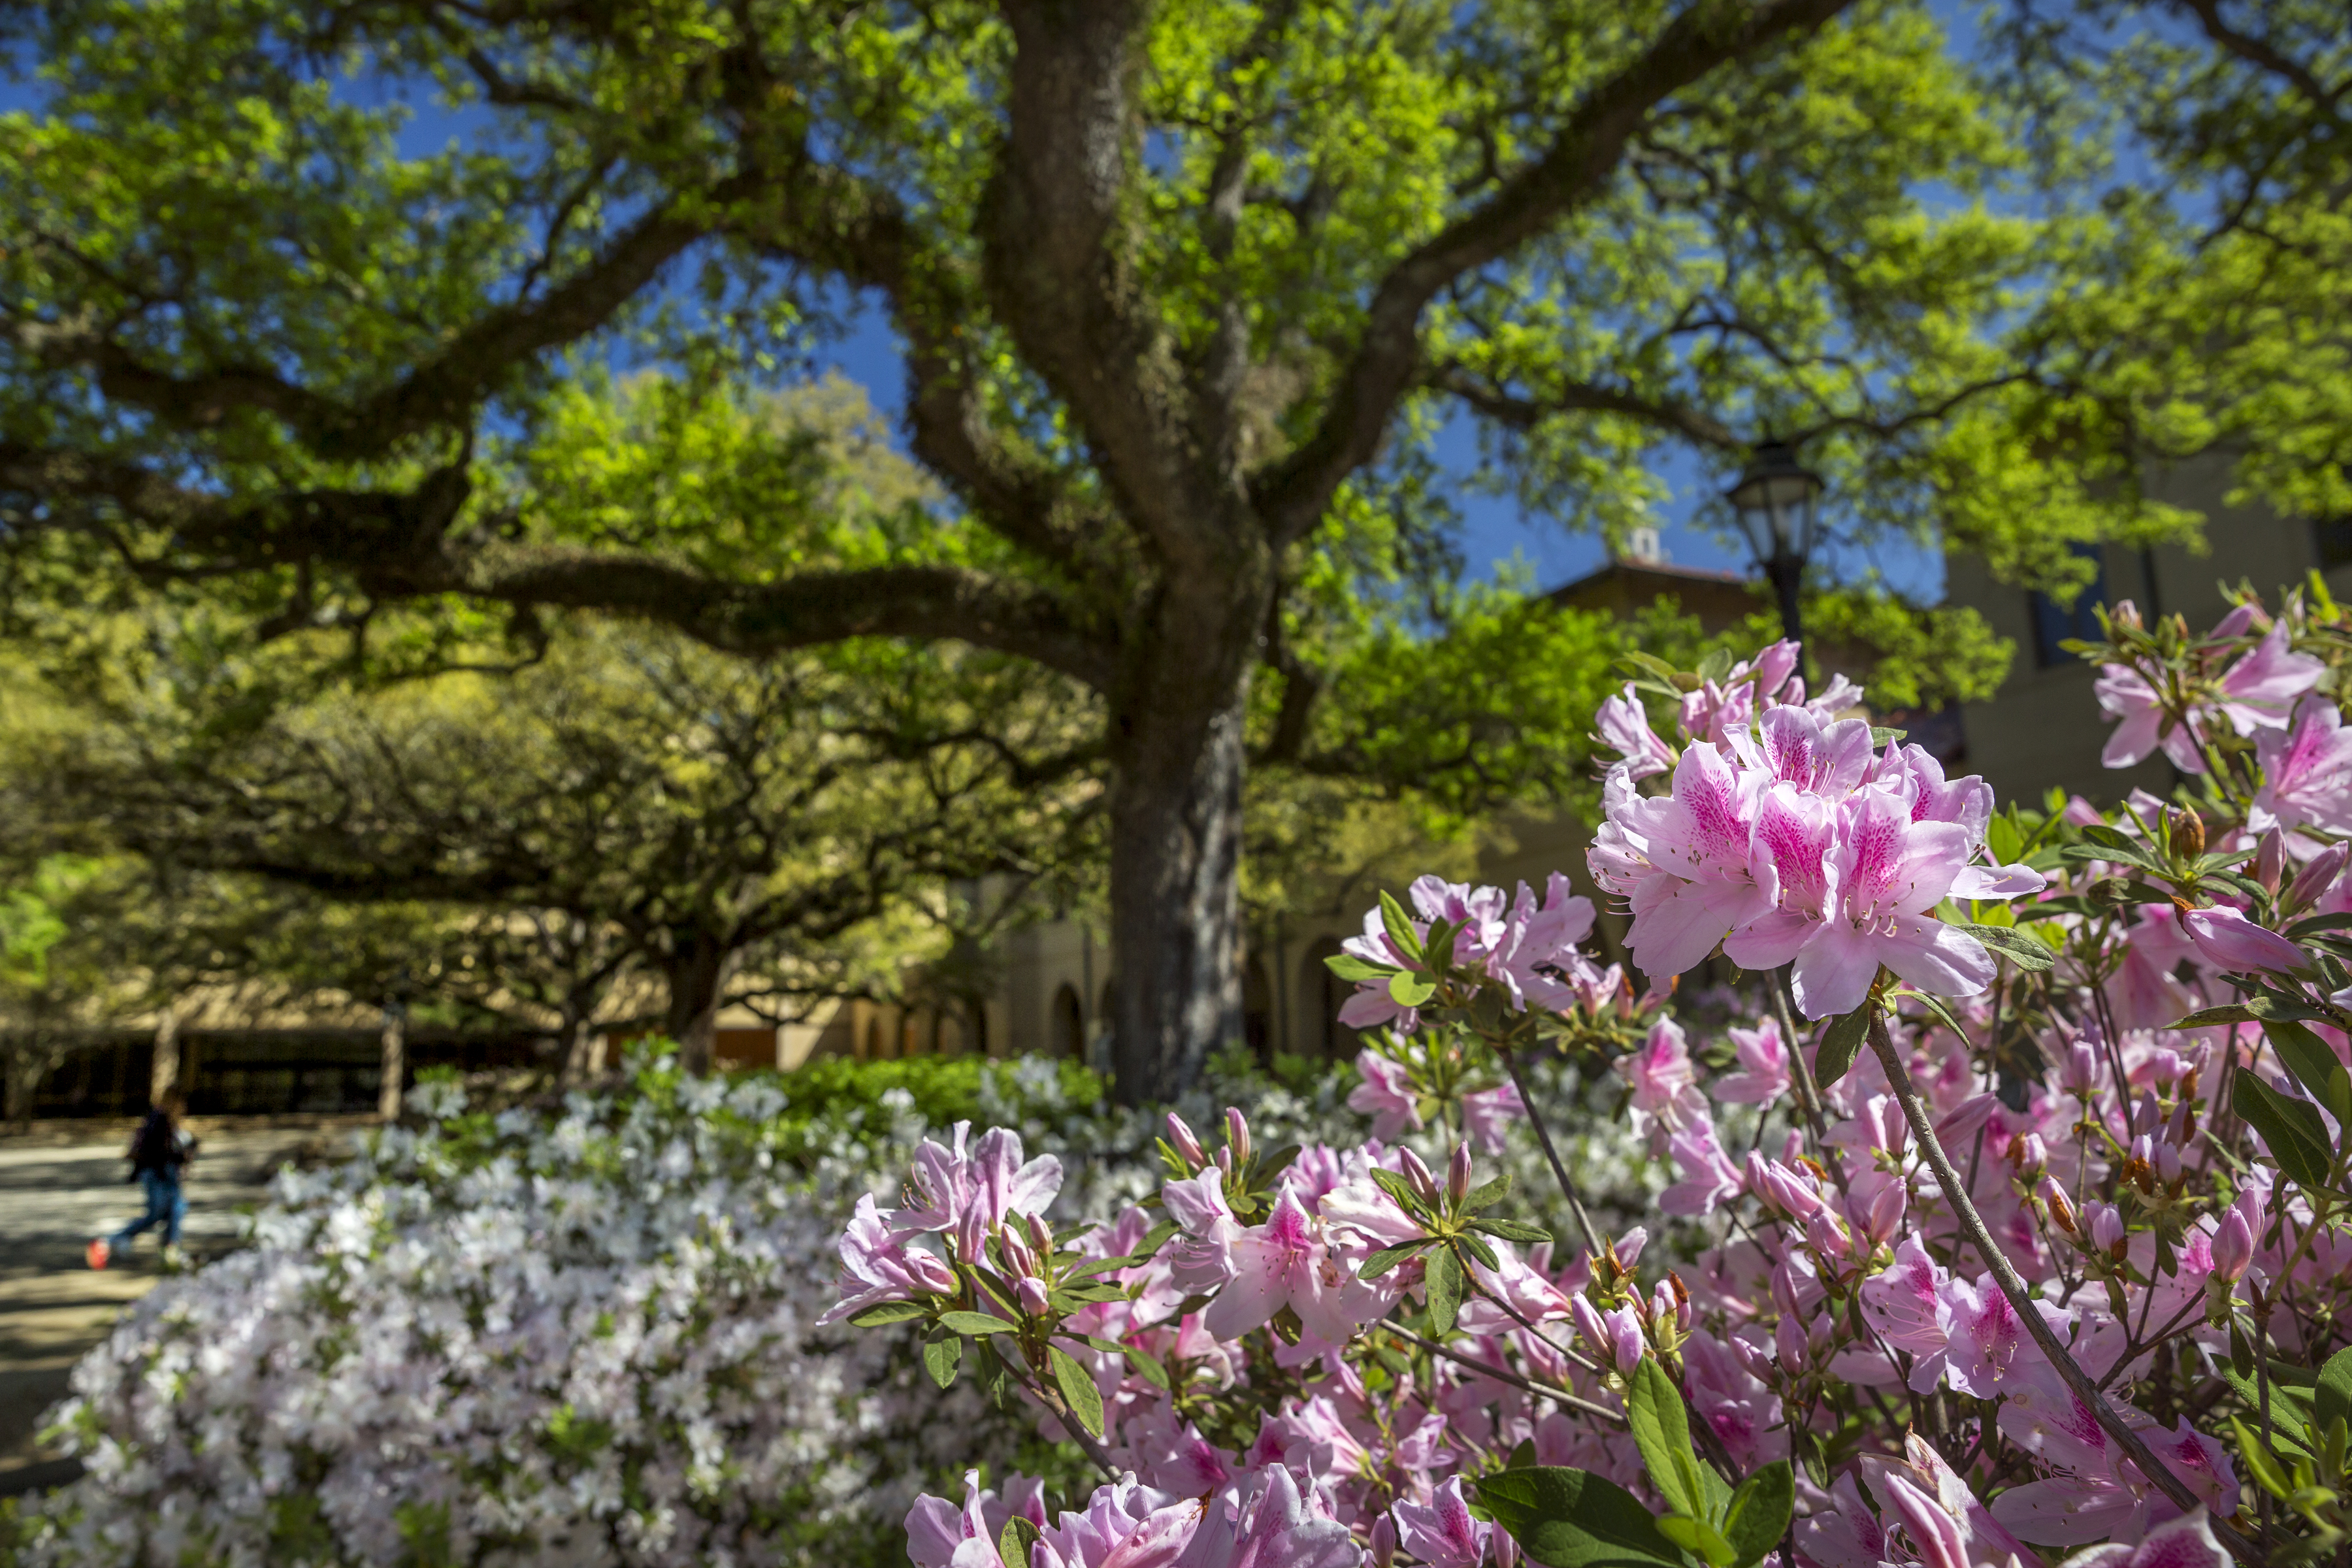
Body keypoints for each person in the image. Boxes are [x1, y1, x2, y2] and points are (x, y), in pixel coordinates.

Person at [87, 1092, 198, 1270]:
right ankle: (107, 1243)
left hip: (163, 1174)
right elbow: (158, 1151)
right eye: (181, 1103)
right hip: (158, 1174)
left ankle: (170, 1250)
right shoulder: (159, 1119)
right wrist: (180, 1156)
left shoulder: (166, 1120)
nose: (184, 1108)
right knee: (158, 1213)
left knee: (176, 1209)